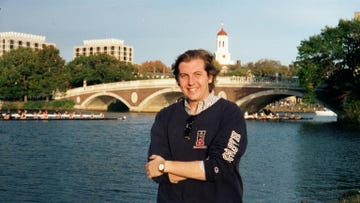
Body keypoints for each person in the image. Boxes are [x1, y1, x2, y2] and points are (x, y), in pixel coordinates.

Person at [145, 49, 248, 203]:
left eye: (197, 74)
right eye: (184, 76)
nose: (191, 82)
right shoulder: (165, 116)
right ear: (178, 80)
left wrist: (165, 165)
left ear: (210, 77)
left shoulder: (230, 114)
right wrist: (201, 168)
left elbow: (219, 168)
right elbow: (155, 171)